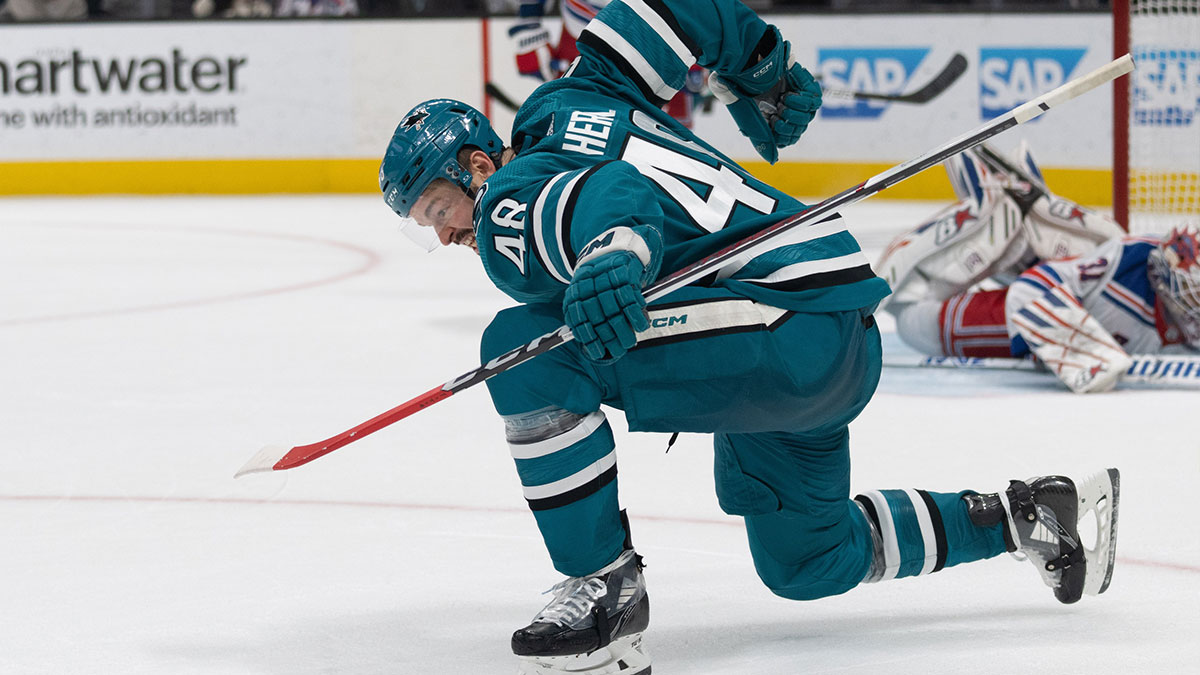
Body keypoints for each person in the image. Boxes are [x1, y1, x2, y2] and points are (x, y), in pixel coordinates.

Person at [378, 2, 1121, 673]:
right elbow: (667, 10)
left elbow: (612, 195)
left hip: (779, 324)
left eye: (439, 208)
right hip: (829, 330)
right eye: (426, 226)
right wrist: (760, 70)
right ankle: (1027, 516)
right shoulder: (579, 92)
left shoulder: (505, 200)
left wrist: (612, 249)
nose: (446, 234)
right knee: (807, 558)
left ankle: (603, 587)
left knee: (525, 351)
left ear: (477, 165)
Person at [877, 141, 1199, 393]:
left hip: (1063, 299)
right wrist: (1074, 350)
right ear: (1165, 282)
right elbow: (1031, 289)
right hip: (937, 322)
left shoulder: (1182, 313)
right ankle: (991, 215)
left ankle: (1022, 238)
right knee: (911, 316)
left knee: (1091, 249)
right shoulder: (1130, 259)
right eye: (1194, 293)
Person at [506, 0, 708, 127]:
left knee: (668, 133)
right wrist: (528, 26)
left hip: (658, 35)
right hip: (582, 35)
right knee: (571, 125)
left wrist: (699, 42)